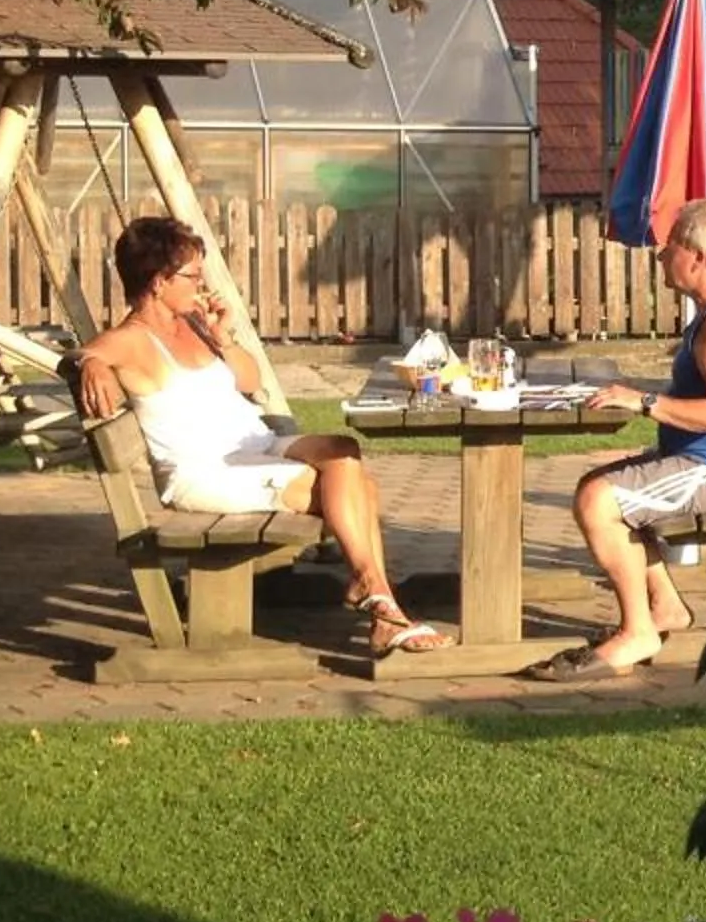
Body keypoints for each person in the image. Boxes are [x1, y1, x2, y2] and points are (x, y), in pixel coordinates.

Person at [73, 215, 442, 656]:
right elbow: (85, 352)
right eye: (192, 275)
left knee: (345, 453)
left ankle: (374, 592)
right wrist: (89, 363)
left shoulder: (191, 324)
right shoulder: (134, 340)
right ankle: (383, 606)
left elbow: (248, 381)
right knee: (353, 486)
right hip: (208, 472)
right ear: (158, 282)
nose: (201, 283)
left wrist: (223, 337)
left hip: (253, 445)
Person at [550, 200, 706, 679]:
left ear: (698, 258)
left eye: (671, 247)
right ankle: (663, 608)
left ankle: (637, 633)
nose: (661, 256)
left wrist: (644, 402)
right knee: (603, 484)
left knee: (598, 499)